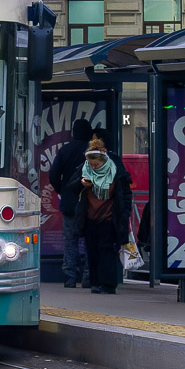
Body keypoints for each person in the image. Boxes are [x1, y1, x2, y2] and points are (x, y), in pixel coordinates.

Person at [73, 136, 133, 294]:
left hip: (109, 217)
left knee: (106, 250)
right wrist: (81, 183)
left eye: (96, 165)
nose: (93, 167)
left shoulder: (116, 172)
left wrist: (125, 213)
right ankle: (96, 283)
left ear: (104, 162)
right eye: (91, 165)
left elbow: (125, 194)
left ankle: (108, 284)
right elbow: (69, 187)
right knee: (92, 251)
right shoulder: (84, 170)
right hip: (90, 217)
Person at [49, 118, 94, 288]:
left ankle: (70, 276)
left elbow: (54, 175)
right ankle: (89, 277)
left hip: (70, 202)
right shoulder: (94, 151)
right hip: (91, 202)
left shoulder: (65, 150)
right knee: (90, 240)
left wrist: (63, 190)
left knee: (70, 241)